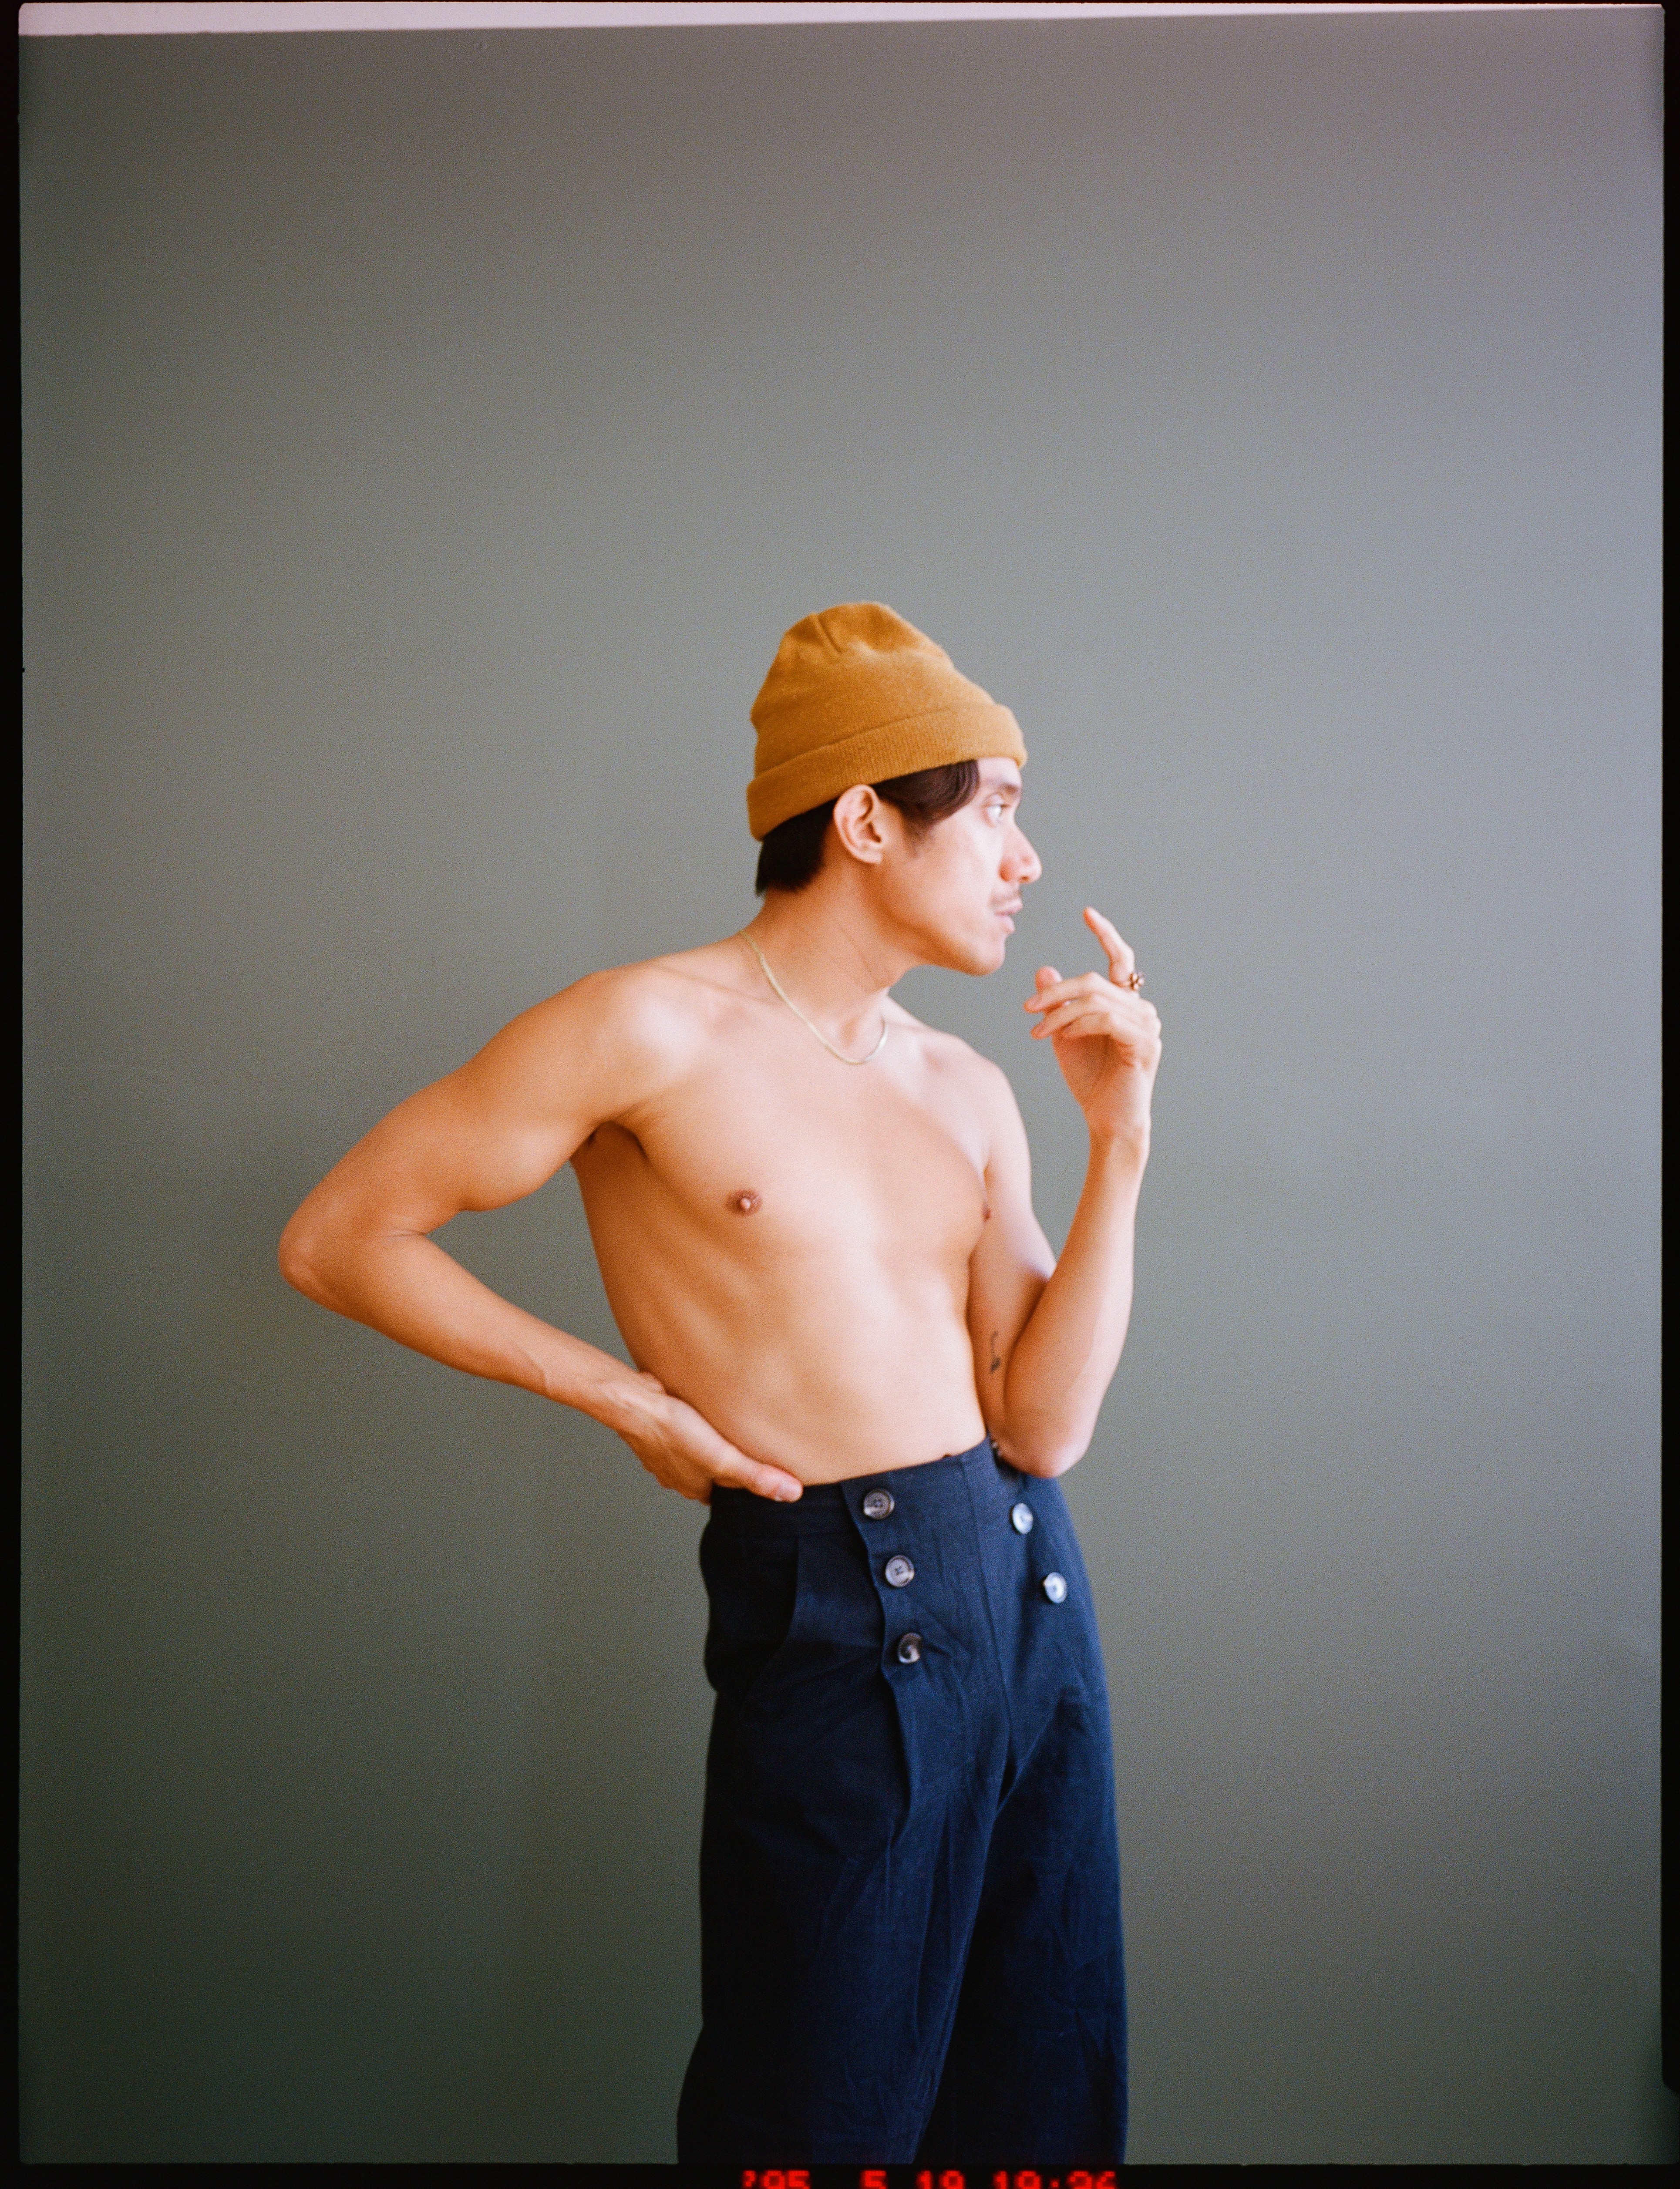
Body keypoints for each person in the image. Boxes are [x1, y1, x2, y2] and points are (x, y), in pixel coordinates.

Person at [279, 602, 1162, 2169]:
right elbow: (341, 1236)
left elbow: (1045, 1424)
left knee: (1035, 2094)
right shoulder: (643, 1029)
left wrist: (1120, 1139)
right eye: (1000, 810)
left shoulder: (963, 1082)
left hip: (1025, 1591)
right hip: (838, 1592)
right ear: (867, 817)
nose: (1026, 860)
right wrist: (623, 1398)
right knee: (812, 2114)